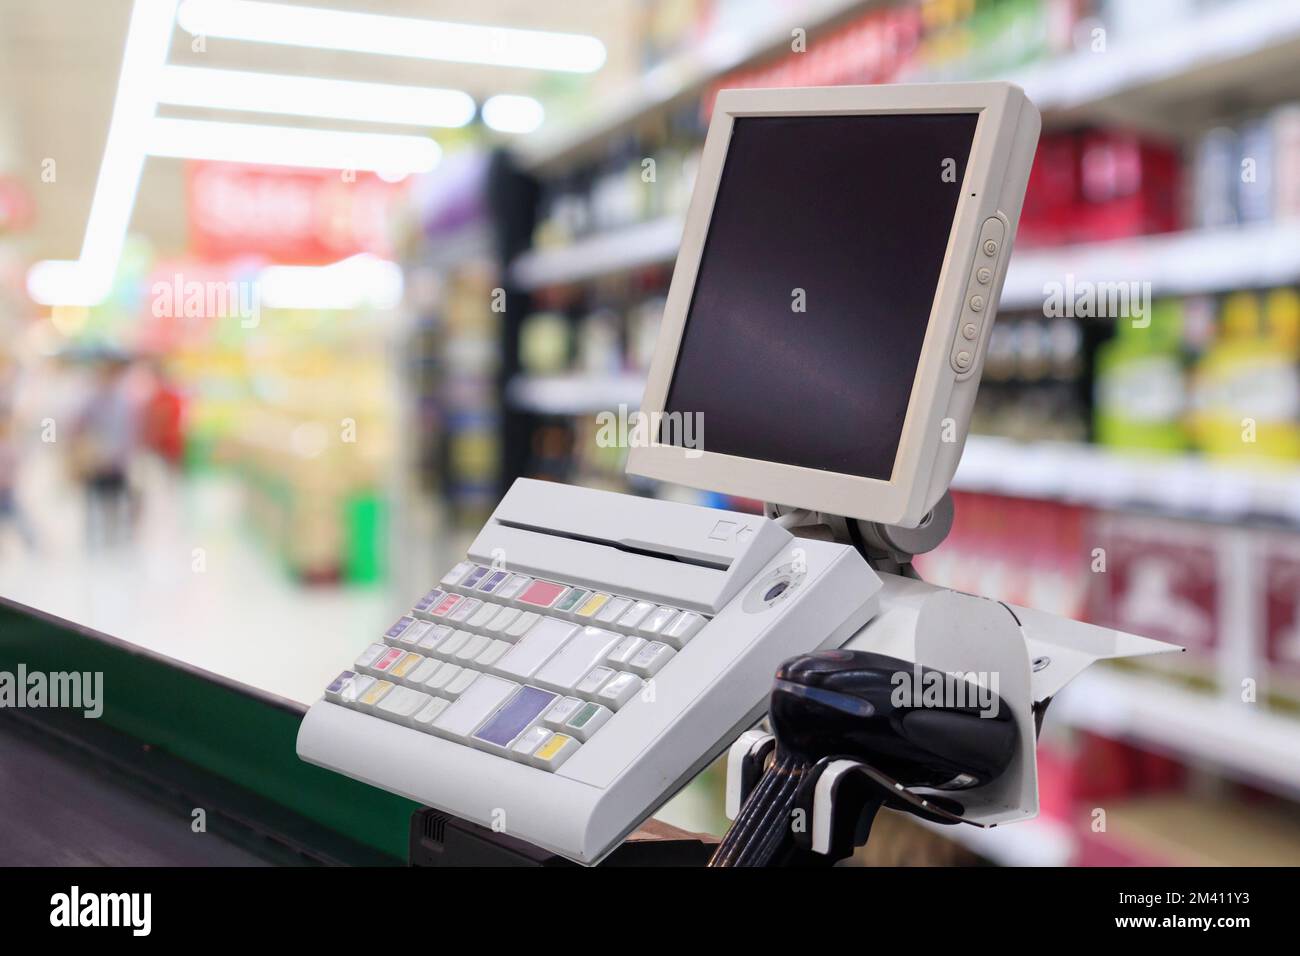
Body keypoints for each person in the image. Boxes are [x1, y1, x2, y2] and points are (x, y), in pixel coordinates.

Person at [70, 357, 138, 548]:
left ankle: (113, 544)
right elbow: (76, 427)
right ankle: (93, 545)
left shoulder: (124, 401)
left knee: (115, 505)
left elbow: (129, 432)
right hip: (95, 461)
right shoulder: (91, 400)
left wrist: (126, 455)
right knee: (93, 505)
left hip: (117, 463)